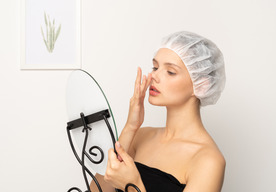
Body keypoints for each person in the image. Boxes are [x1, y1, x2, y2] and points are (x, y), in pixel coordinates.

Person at [90, 31, 226, 192]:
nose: (154, 75)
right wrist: (131, 126)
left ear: (201, 85)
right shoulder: (140, 136)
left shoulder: (209, 160)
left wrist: (133, 185)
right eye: (155, 67)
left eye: (170, 72)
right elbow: (97, 190)